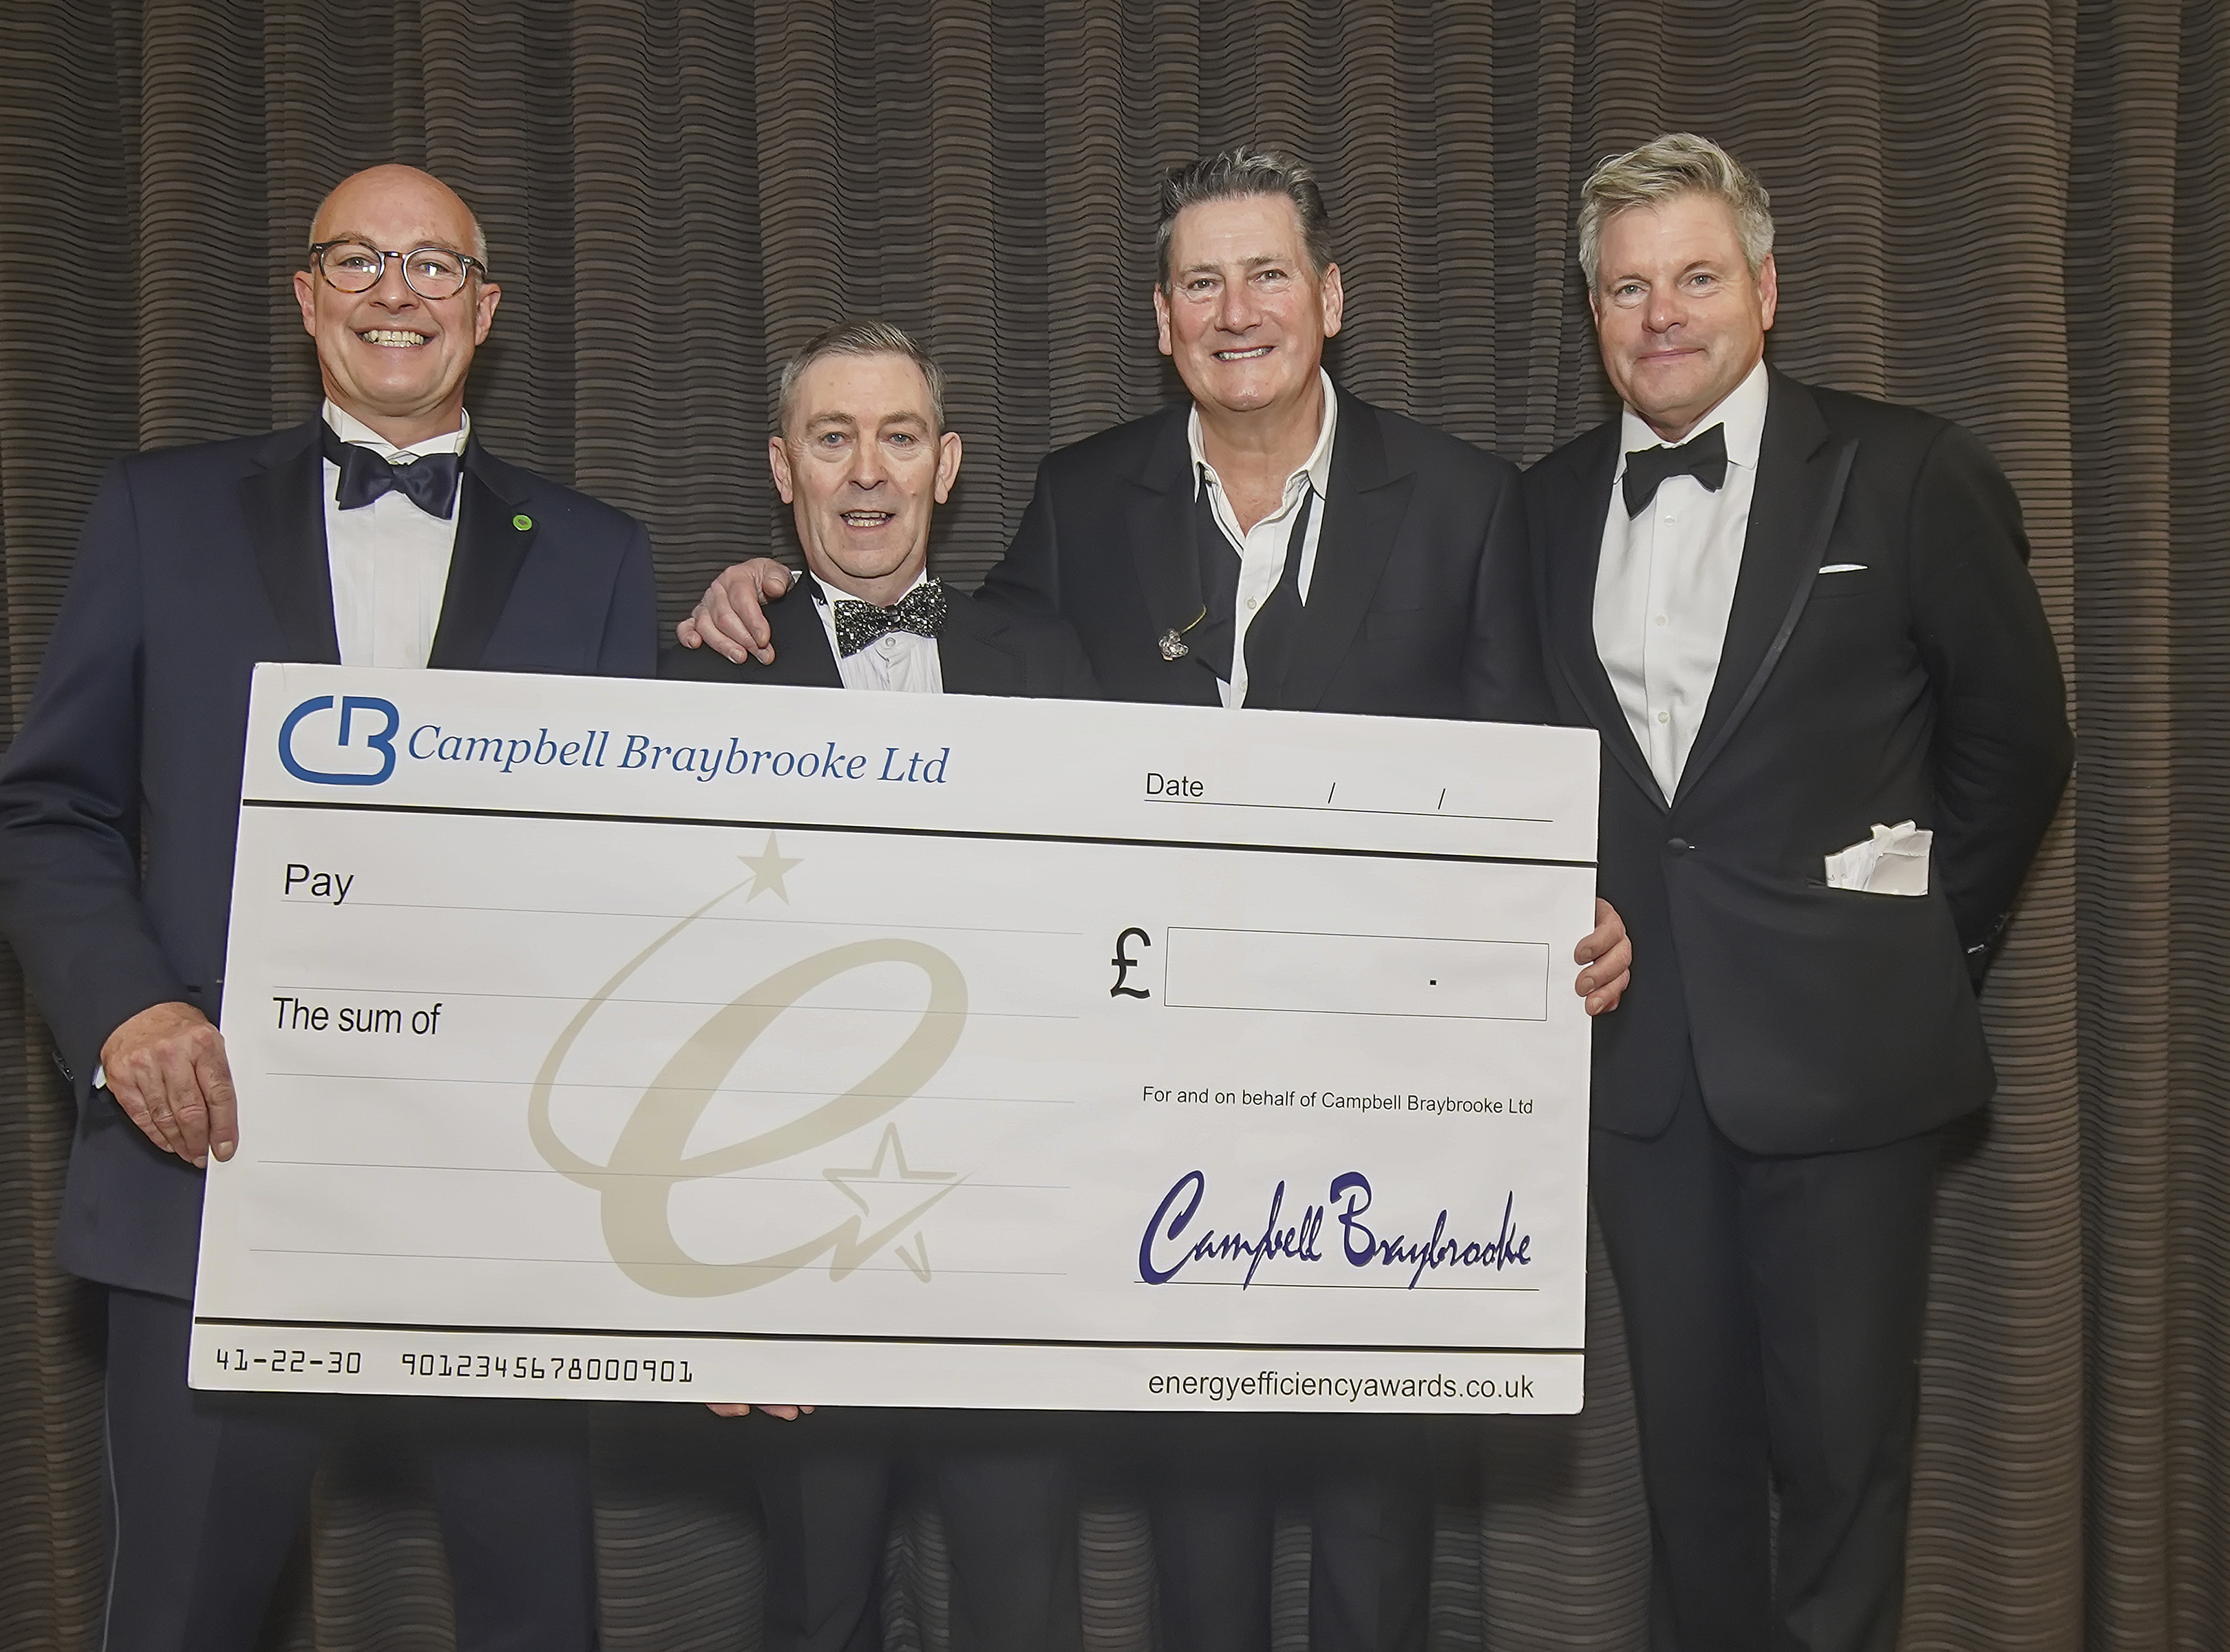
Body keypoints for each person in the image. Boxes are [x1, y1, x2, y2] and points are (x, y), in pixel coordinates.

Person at [677, 149, 1632, 1652]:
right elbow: (939, 651)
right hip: (1154, 1110)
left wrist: (1576, 910)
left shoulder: (1467, 502)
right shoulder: (1083, 498)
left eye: (1267, 275)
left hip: (1391, 1095)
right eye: (1202, 282)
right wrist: (764, 592)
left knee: (1377, 1515)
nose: (1236, 310)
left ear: (1331, 297)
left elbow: (1523, 766)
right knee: (1199, 1515)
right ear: (1162, 317)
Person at [0, 164, 655, 1652]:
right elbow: (47, 811)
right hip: (214, 1166)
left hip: (504, 1193)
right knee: (184, 1616)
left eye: (433, 265)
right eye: (358, 259)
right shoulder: (159, 513)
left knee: (537, 1617)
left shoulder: (599, 554)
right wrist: (129, 1011)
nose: (394, 292)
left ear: (485, 309)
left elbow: (630, 869)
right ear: (306, 298)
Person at [1524, 134, 2072, 1652]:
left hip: (1849, 1063)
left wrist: (1914, 949)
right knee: (1689, 1475)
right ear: (1593, 313)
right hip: (1643, 1069)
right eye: (1627, 288)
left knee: (1840, 1475)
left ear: (1765, 291)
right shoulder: (1544, 506)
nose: (1662, 315)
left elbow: (2018, 744)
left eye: (1697, 277)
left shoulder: (1910, 472)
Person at [666, 317, 1094, 1652]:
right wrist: (715, 1288)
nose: (867, 472)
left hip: (1013, 1233)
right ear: (781, 468)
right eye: (832, 438)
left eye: (899, 438)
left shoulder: (1050, 661)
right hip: (793, 1241)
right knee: (820, 1606)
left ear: (946, 466)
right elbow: (672, 998)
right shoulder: (699, 674)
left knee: (1026, 1611)